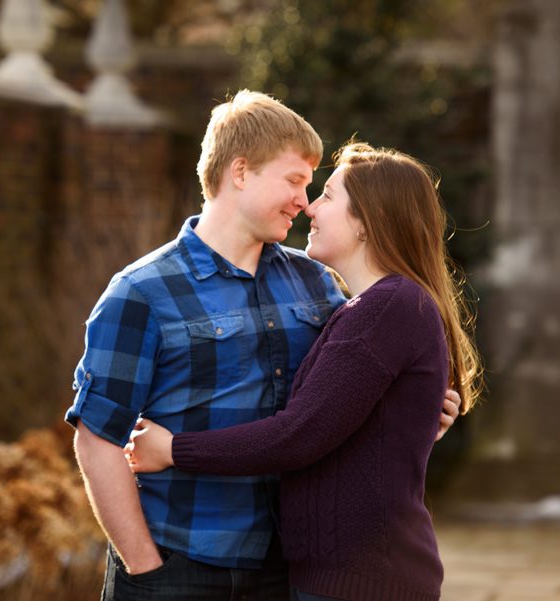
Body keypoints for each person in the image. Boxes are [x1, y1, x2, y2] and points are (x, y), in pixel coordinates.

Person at [65, 91, 461, 601]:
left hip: (287, 572)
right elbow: (97, 438)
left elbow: (329, 415)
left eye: (313, 187)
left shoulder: (320, 285)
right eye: (294, 180)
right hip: (178, 566)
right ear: (241, 172)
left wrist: (409, 414)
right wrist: (146, 569)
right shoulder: (142, 291)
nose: (304, 200)